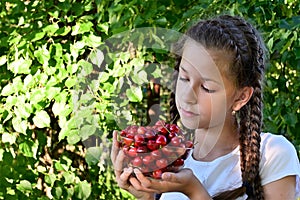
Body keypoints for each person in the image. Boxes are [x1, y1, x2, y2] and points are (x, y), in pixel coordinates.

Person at [110, 14, 300, 200]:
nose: (187, 95)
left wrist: (194, 191)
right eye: (184, 78)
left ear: (241, 97)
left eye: (206, 88)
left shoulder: (273, 153)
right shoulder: (172, 162)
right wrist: (147, 197)